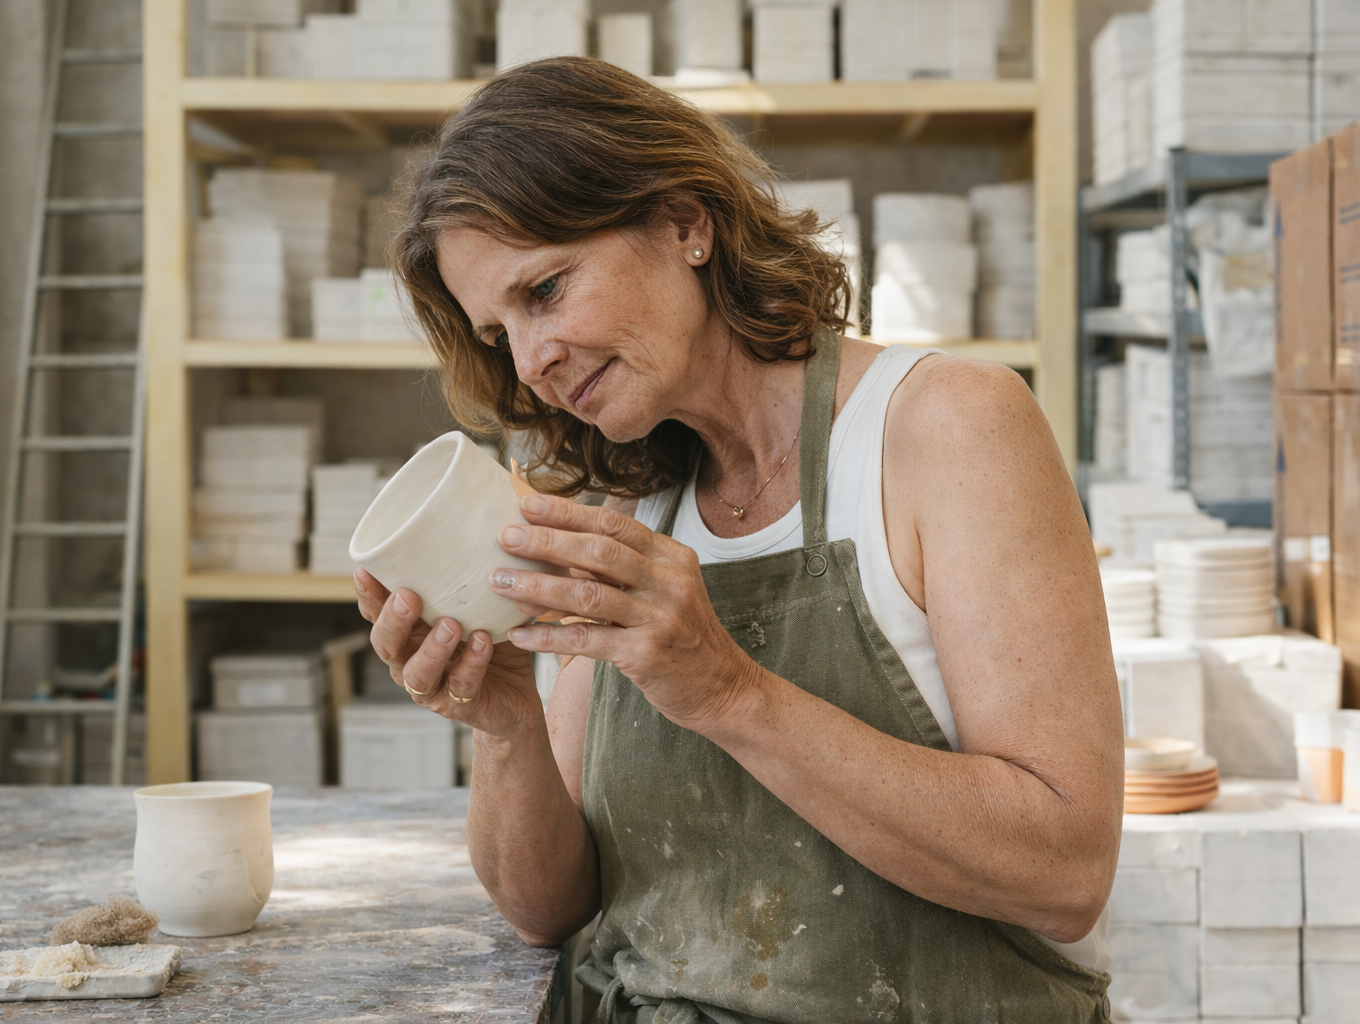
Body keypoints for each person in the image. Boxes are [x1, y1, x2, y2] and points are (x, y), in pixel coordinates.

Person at [356, 56, 1123, 1023]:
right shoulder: (633, 497)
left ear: (686, 222)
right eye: (497, 330)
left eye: (545, 290)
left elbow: (1064, 871)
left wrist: (726, 689)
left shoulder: (947, 426)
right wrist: (506, 722)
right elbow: (549, 908)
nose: (532, 360)